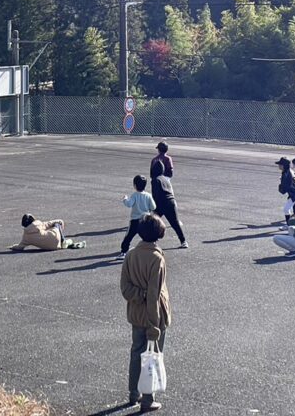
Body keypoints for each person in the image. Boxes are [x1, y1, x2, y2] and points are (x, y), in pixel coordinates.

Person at [121, 214, 171, 413]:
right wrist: (154, 325)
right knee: (152, 356)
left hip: (136, 314)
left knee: (136, 353)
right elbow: (153, 296)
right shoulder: (157, 259)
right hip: (154, 316)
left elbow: (125, 289)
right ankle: (148, 399)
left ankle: (133, 393)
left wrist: (138, 294)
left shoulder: (131, 255)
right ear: (159, 234)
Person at [151, 159, 187, 248]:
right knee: (175, 223)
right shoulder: (165, 179)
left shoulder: (155, 180)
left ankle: (152, 240)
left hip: (161, 203)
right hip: (171, 202)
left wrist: (153, 207)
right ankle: (183, 241)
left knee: (153, 222)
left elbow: (155, 195)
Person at [120, 175, 157, 259]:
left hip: (135, 221)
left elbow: (129, 204)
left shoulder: (134, 195)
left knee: (128, 237)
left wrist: (125, 199)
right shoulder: (148, 195)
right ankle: (151, 250)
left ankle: (124, 252)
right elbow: (153, 207)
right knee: (147, 236)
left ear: (135, 185)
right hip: (145, 220)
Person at [10, 214, 86, 251]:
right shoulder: (38, 224)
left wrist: (13, 247)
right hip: (55, 237)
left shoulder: (26, 236)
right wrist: (59, 221)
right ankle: (63, 241)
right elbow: (48, 224)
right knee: (56, 224)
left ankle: (63, 242)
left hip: (49, 248)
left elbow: (20, 247)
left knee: (46, 232)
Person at [275, 157, 295, 229]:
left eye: (280, 164)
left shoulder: (287, 174)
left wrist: (281, 188)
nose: (279, 165)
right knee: (286, 209)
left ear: (284, 165)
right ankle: (288, 225)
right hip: (293, 194)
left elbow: (286, 187)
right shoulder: (288, 171)